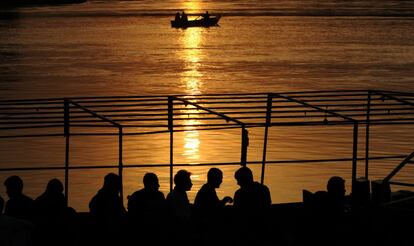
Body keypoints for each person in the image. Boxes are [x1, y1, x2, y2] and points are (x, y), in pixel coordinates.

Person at [233, 166, 272, 246]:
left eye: (238, 180)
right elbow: (268, 205)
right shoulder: (264, 189)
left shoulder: (239, 194)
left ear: (243, 179)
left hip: (246, 229)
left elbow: (236, 213)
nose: (237, 183)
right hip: (264, 226)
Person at [194, 168, 233, 246]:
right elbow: (215, 209)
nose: (221, 181)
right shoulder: (208, 191)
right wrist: (225, 201)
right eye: (220, 178)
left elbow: (215, 205)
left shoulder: (208, 189)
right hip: (205, 223)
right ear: (214, 179)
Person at [89, 173, 126, 246]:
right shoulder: (114, 200)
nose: (119, 188)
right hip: (110, 233)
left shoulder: (97, 199)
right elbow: (122, 215)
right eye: (118, 185)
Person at [166, 170, 193, 245]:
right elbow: (181, 218)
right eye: (189, 181)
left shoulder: (180, 194)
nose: (191, 184)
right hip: (178, 231)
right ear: (183, 183)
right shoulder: (175, 197)